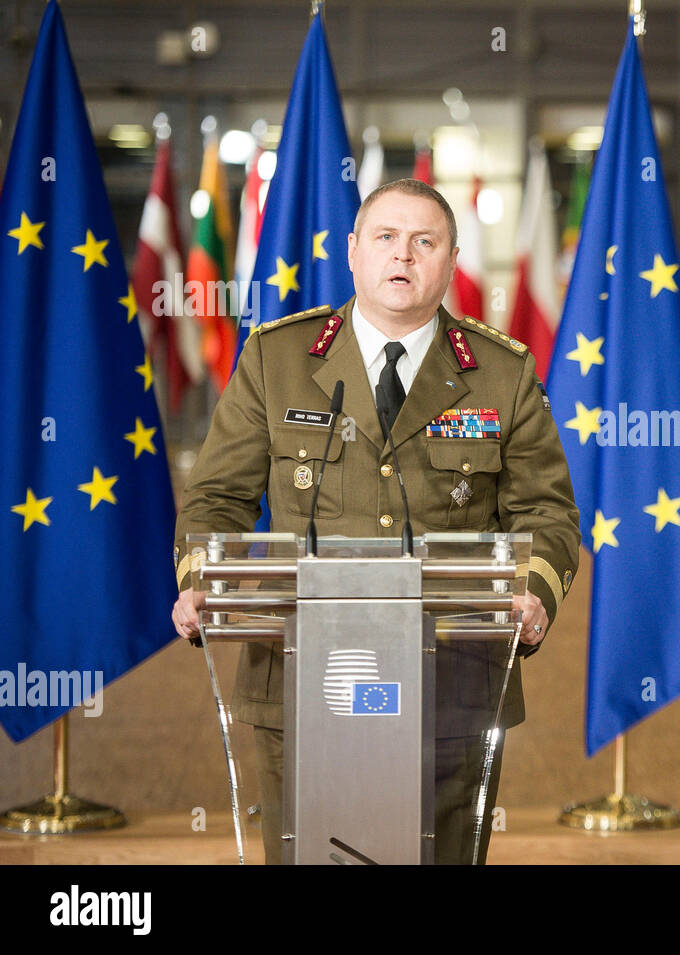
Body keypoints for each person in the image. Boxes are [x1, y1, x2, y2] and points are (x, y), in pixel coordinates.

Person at [171, 178, 580, 864]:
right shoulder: (276, 360)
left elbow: (546, 511)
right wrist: (200, 579)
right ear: (354, 252)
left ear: (452, 262)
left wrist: (534, 595)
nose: (404, 256)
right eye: (387, 238)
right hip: (298, 678)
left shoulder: (502, 374)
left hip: (455, 683)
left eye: (426, 242)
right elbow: (215, 497)